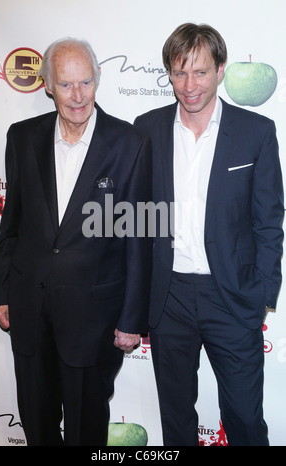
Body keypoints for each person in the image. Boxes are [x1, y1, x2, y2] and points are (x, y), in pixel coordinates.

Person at [0, 38, 152, 446]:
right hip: (28, 309)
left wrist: (132, 319)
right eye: (65, 85)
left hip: (94, 319)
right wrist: (1, 292)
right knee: (37, 423)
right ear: (47, 85)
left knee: (86, 428)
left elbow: (138, 236)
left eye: (86, 83)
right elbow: (11, 222)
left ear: (97, 81)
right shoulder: (23, 137)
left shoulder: (130, 144)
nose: (77, 96)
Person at [134, 23, 284, 446]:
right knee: (176, 421)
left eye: (200, 72)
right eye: (179, 73)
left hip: (232, 297)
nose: (189, 85)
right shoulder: (145, 128)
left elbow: (268, 221)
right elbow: (138, 219)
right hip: (170, 298)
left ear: (220, 70)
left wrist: (263, 293)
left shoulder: (256, 132)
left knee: (244, 419)